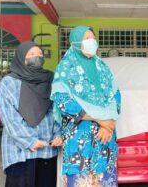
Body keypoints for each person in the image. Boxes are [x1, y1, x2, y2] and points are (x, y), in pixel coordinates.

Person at [51, 26, 121, 187]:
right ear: (75, 42)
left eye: (93, 38)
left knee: (104, 180)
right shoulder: (65, 69)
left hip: (105, 139)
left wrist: (108, 125)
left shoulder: (102, 68)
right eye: (86, 38)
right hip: (79, 142)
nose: (92, 41)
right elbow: (63, 102)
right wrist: (100, 120)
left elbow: (115, 96)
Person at [0, 41, 62, 187]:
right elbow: (9, 118)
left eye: (39, 54)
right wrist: (30, 141)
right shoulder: (9, 83)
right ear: (21, 57)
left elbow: (56, 111)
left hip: (47, 151)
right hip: (20, 153)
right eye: (31, 54)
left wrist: (58, 134)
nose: (36, 57)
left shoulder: (49, 80)